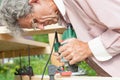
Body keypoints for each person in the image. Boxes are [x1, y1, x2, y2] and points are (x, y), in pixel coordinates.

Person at [0, 0, 120, 77]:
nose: (41, 28)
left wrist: (88, 48)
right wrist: (77, 53)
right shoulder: (65, 16)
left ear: (34, 1)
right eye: (35, 27)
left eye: (35, 21)